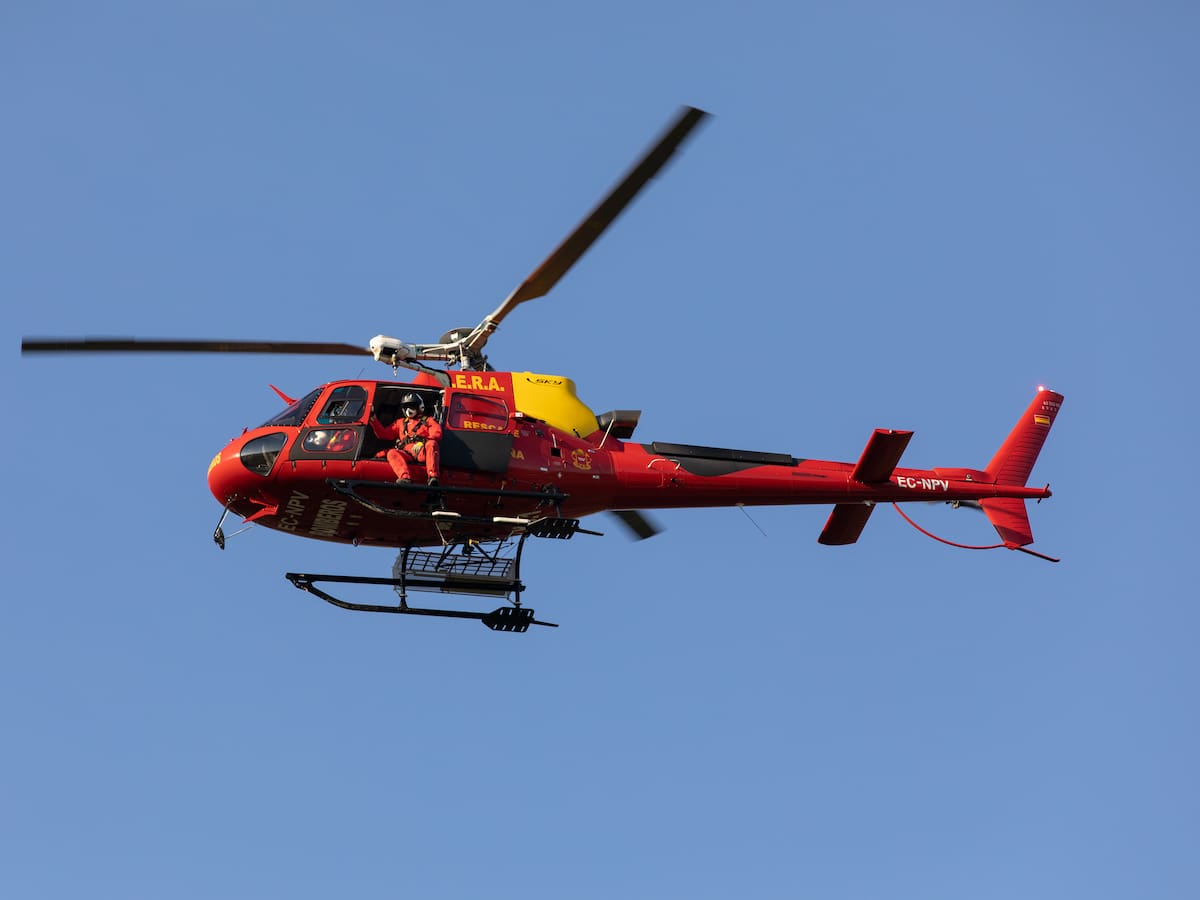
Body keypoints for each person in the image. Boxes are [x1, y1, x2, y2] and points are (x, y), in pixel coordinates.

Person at [370, 393, 442, 486]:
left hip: (422, 452)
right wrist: (373, 418)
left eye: (411, 406)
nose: (408, 410)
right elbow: (384, 434)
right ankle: (405, 478)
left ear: (419, 407)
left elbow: (437, 433)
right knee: (392, 452)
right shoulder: (400, 423)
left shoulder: (428, 421)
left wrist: (423, 442)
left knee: (432, 444)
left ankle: (433, 477)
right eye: (406, 406)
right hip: (407, 453)